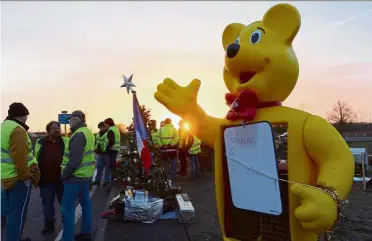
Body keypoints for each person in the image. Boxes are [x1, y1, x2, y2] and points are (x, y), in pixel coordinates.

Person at [1, 102, 40, 241]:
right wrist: (25, 176)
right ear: (23, 115)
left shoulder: (3, 127)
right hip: (18, 179)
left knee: (10, 213)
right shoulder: (17, 130)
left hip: (5, 177)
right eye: (26, 115)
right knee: (17, 215)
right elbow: (20, 156)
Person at [61, 110, 95, 241]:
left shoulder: (79, 134)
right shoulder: (88, 133)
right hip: (85, 176)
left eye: (71, 119)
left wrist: (65, 174)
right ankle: (86, 233)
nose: (69, 121)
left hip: (74, 177)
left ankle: (67, 238)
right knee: (86, 205)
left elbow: (75, 160)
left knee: (67, 209)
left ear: (79, 119)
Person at [34, 121, 69, 234]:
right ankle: (49, 225)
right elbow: (35, 158)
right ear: (48, 130)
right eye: (53, 128)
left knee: (65, 203)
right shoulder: (41, 142)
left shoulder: (66, 141)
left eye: (58, 128)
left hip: (62, 180)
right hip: (45, 180)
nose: (57, 130)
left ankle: (67, 223)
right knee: (47, 205)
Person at [92, 122, 110, 186]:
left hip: (107, 153)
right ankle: (97, 181)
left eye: (102, 127)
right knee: (99, 168)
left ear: (105, 127)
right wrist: (95, 149)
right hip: (99, 153)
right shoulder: (97, 134)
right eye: (100, 127)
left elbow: (110, 142)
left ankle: (107, 181)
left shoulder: (108, 133)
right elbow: (95, 142)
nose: (101, 128)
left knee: (108, 168)